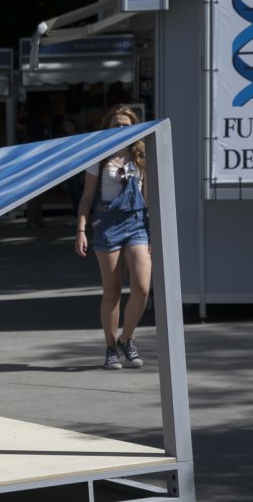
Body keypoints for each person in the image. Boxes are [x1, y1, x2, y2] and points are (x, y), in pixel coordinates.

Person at [75, 104, 151, 371]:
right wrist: (81, 230)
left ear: (134, 128)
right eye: (116, 125)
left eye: (126, 125)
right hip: (107, 224)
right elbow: (86, 199)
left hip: (136, 222)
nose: (121, 129)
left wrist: (154, 233)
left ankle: (127, 339)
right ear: (108, 128)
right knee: (113, 290)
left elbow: (149, 199)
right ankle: (110, 347)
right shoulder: (99, 158)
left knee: (142, 288)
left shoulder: (141, 156)